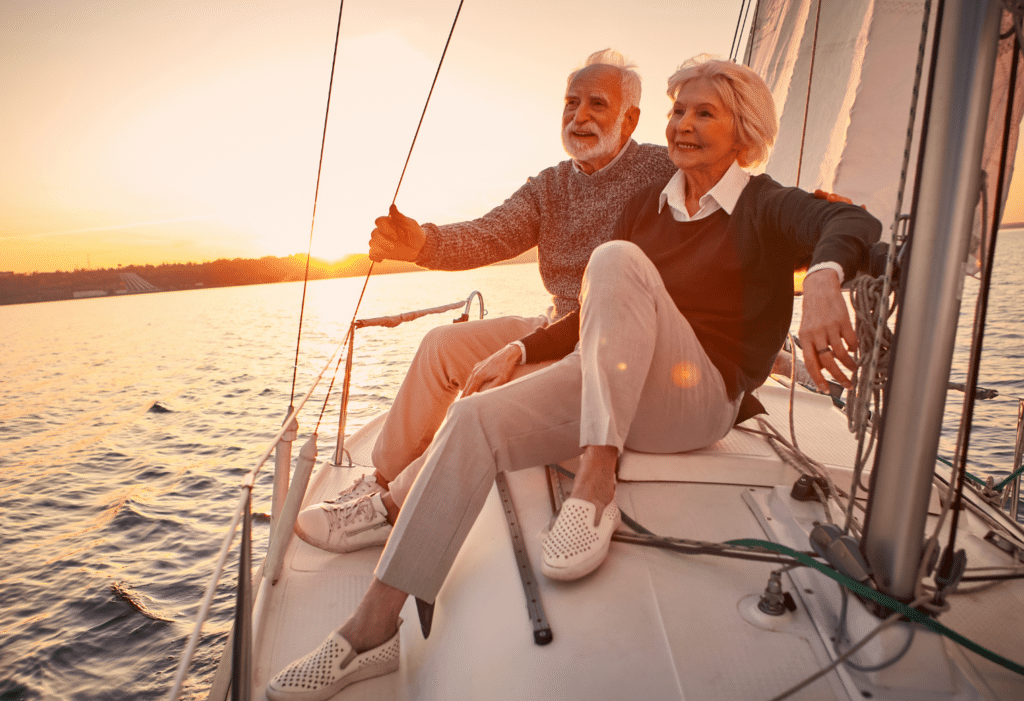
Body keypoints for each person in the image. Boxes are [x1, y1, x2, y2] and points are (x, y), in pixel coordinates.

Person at [266, 55, 881, 701]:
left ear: (743, 129)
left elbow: (852, 224)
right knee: (474, 417)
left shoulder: (765, 203)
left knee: (614, 258)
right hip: (623, 379)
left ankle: (596, 482)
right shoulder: (650, 203)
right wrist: (522, 348)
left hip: (698, 400)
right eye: (679, 111)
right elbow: (596, 308)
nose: (684, 125)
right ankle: (371, 630)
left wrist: (821, 278)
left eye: (705, 113)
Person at [293, 49, 677, 554]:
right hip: (556, 324)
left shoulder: (662, 169)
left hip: (611, 344)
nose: (578, 116)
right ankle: (381, 481)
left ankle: (400, 507)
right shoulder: (551, 185)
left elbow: (732, 196)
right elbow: (488, 235)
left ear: (629, 119)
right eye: (570, 101)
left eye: (596, 104)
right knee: (441, 346)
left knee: (490, 391)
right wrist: (421, 245)